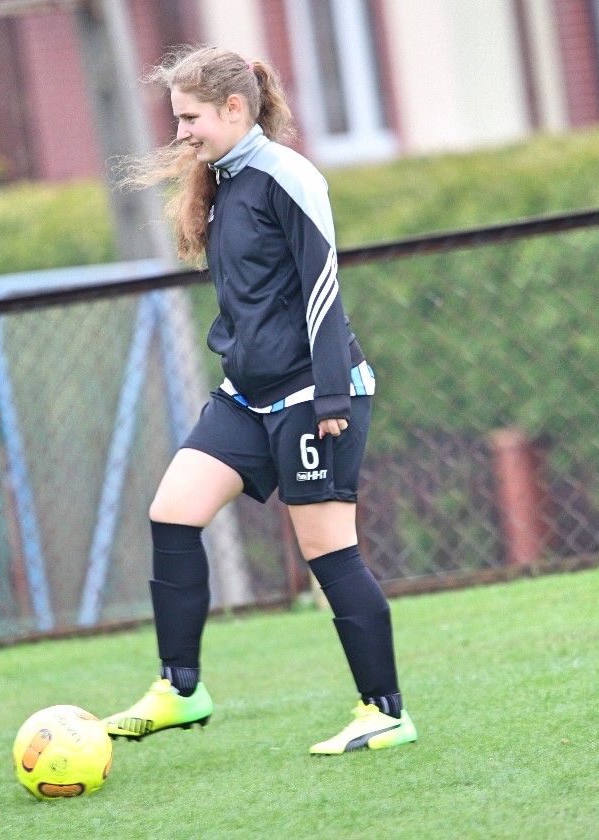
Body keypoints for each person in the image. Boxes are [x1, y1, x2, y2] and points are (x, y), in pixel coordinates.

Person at [102, 45, 417, 755]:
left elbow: (323, 288)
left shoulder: (286, 175)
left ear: (234, 107)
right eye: (177, 118)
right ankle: (181, 689)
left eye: (190, 118)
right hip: (247, 397)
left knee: (328, 552)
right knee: (172, 512)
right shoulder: (223, 182)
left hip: (313, 393)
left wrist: (331, 396)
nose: (180, 132)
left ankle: (385, 711)